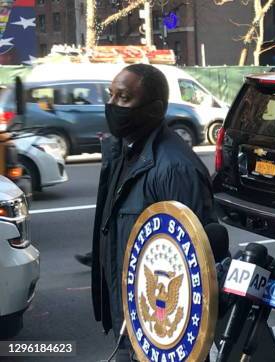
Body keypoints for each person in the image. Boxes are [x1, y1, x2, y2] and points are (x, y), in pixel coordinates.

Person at [89, 64, 218, 361]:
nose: (112, 105)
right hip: (131, 325)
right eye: (111, 95)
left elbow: (195, 267)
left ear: (153, 108)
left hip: (161, 338)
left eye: (123, 97)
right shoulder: (123, 152)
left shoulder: (175, 168)